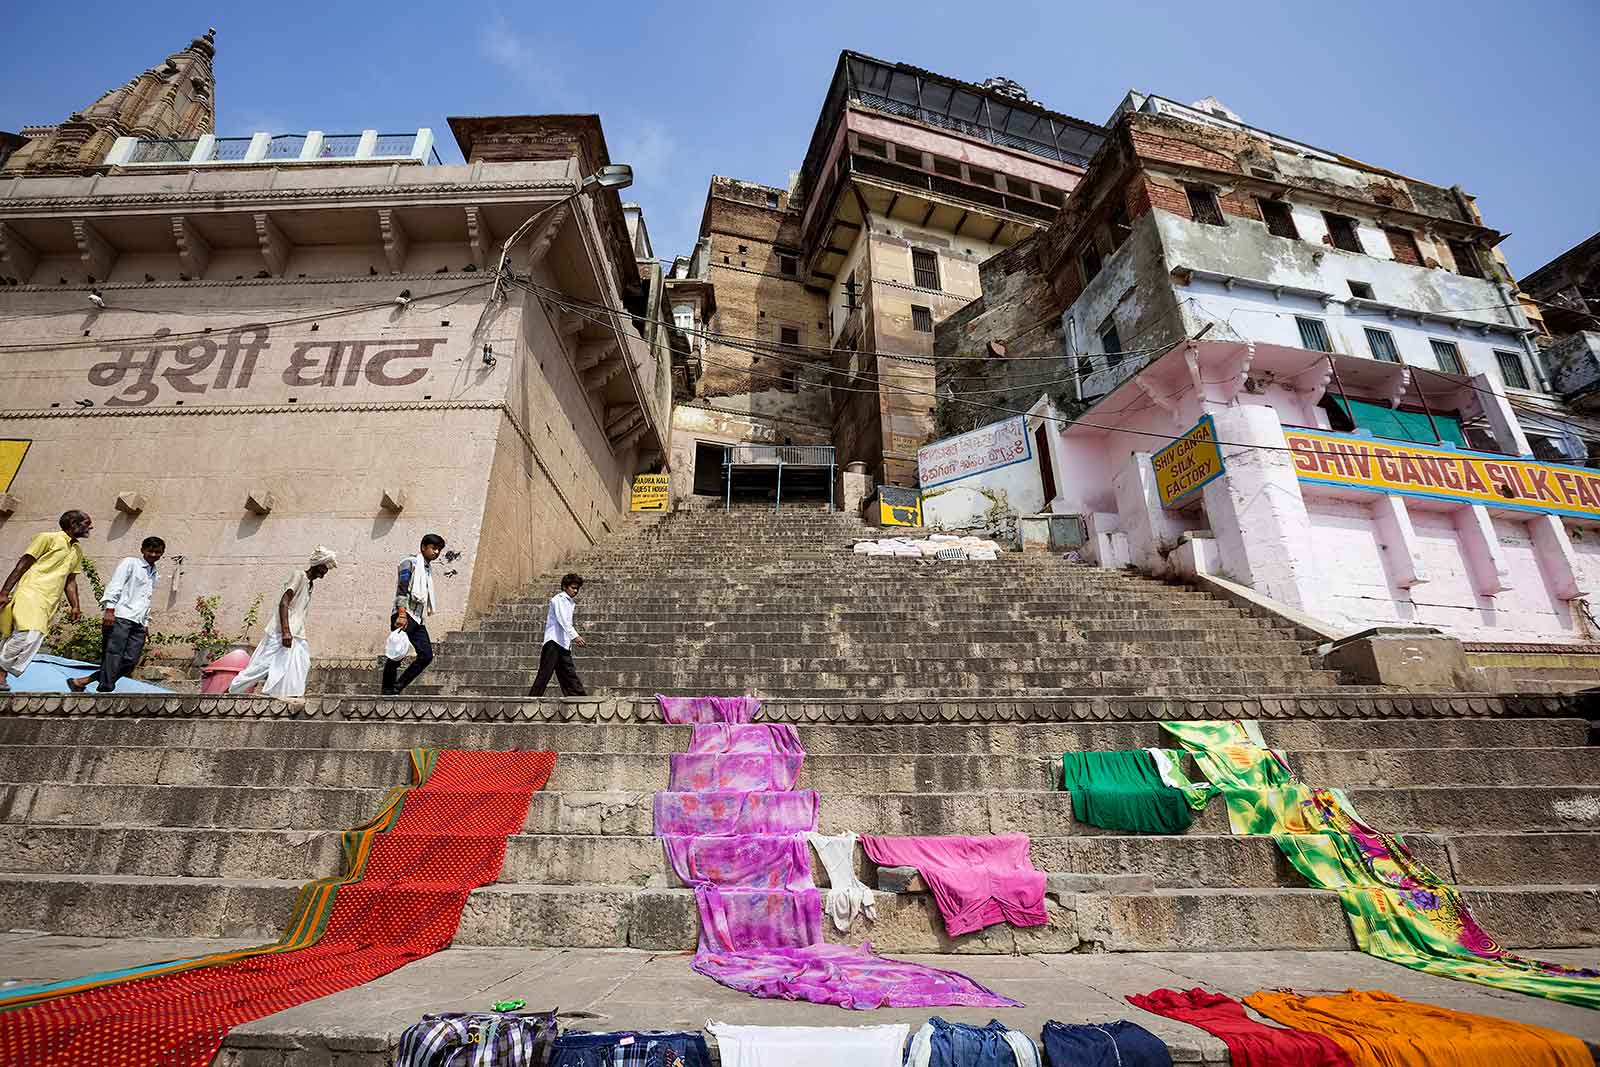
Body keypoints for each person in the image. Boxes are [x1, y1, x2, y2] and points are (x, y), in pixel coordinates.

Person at [228, 546, 337, 699]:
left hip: (297, 633)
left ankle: (288, 694)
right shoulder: (298, 576)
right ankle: (232, 689)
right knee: (262, 664)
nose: (325, 572)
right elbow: (284, 603)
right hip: (282, 632)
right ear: (318, 564)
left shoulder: (310, 584)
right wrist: (286, 631)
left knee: (301, 662)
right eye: (325, 567)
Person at [0, 510, 91, 692]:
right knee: (29, 634)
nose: (91, 527)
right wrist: (4, 592)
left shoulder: (77, 550)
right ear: (73, 524)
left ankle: (2, 674)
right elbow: (22, 564)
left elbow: (70, 580)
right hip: (31, 592)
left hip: (50, 601)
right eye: (87, 523)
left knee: (23, 636)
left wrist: (75, 606)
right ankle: (1, 672)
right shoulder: (47, 538)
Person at [68, 535, 164, 693]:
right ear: (143, 550)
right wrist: (110, 609)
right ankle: (105, 689)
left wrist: (145, 623)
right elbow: (116, 584)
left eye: (157, 552)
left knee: (131, 660)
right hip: (120, 616)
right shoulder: (131, 563)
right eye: (150, 551)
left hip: (138, 621)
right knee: (113, 655)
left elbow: (146, 599)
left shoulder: (153, 572)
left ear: (162, 553)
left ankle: (83, 681)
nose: (153, 555)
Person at [382, 533, 443, 695]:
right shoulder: (409, 563)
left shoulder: (427, 569)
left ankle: (398, 686)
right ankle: (387, 688)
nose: (436, 552)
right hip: (404, 613)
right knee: (397, 652)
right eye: (434, 548)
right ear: (423, 547)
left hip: (418, 618)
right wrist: (401, 614)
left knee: (426, 655)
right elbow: (401, 589)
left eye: (439, 550)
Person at [527, 572, 587, 697]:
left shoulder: (570, 602)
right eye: (573, 587)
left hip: (563, 644)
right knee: (545, 673)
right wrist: (575, 636)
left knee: (568, 673)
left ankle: (579, 698)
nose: (575, 591)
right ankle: (532, 699)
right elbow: (562, 619)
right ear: (565, 587)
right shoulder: (558, 599)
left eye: (577, 588)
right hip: (553, 642)